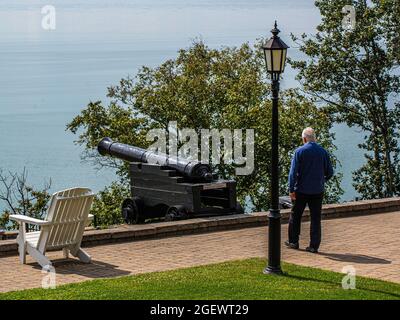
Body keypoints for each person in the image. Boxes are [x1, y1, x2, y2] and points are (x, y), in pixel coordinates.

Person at [285, 127, 334, 253]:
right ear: (314, 138)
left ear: (304, 138)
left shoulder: (299, 151)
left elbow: (292, 173)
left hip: (301, 190)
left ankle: (293, 241)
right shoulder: (323, 152)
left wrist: (291, 189)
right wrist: (321, 180)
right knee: (316, 218)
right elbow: (330, 172)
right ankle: (314, 246)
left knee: (295, 215)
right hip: (317, 190)